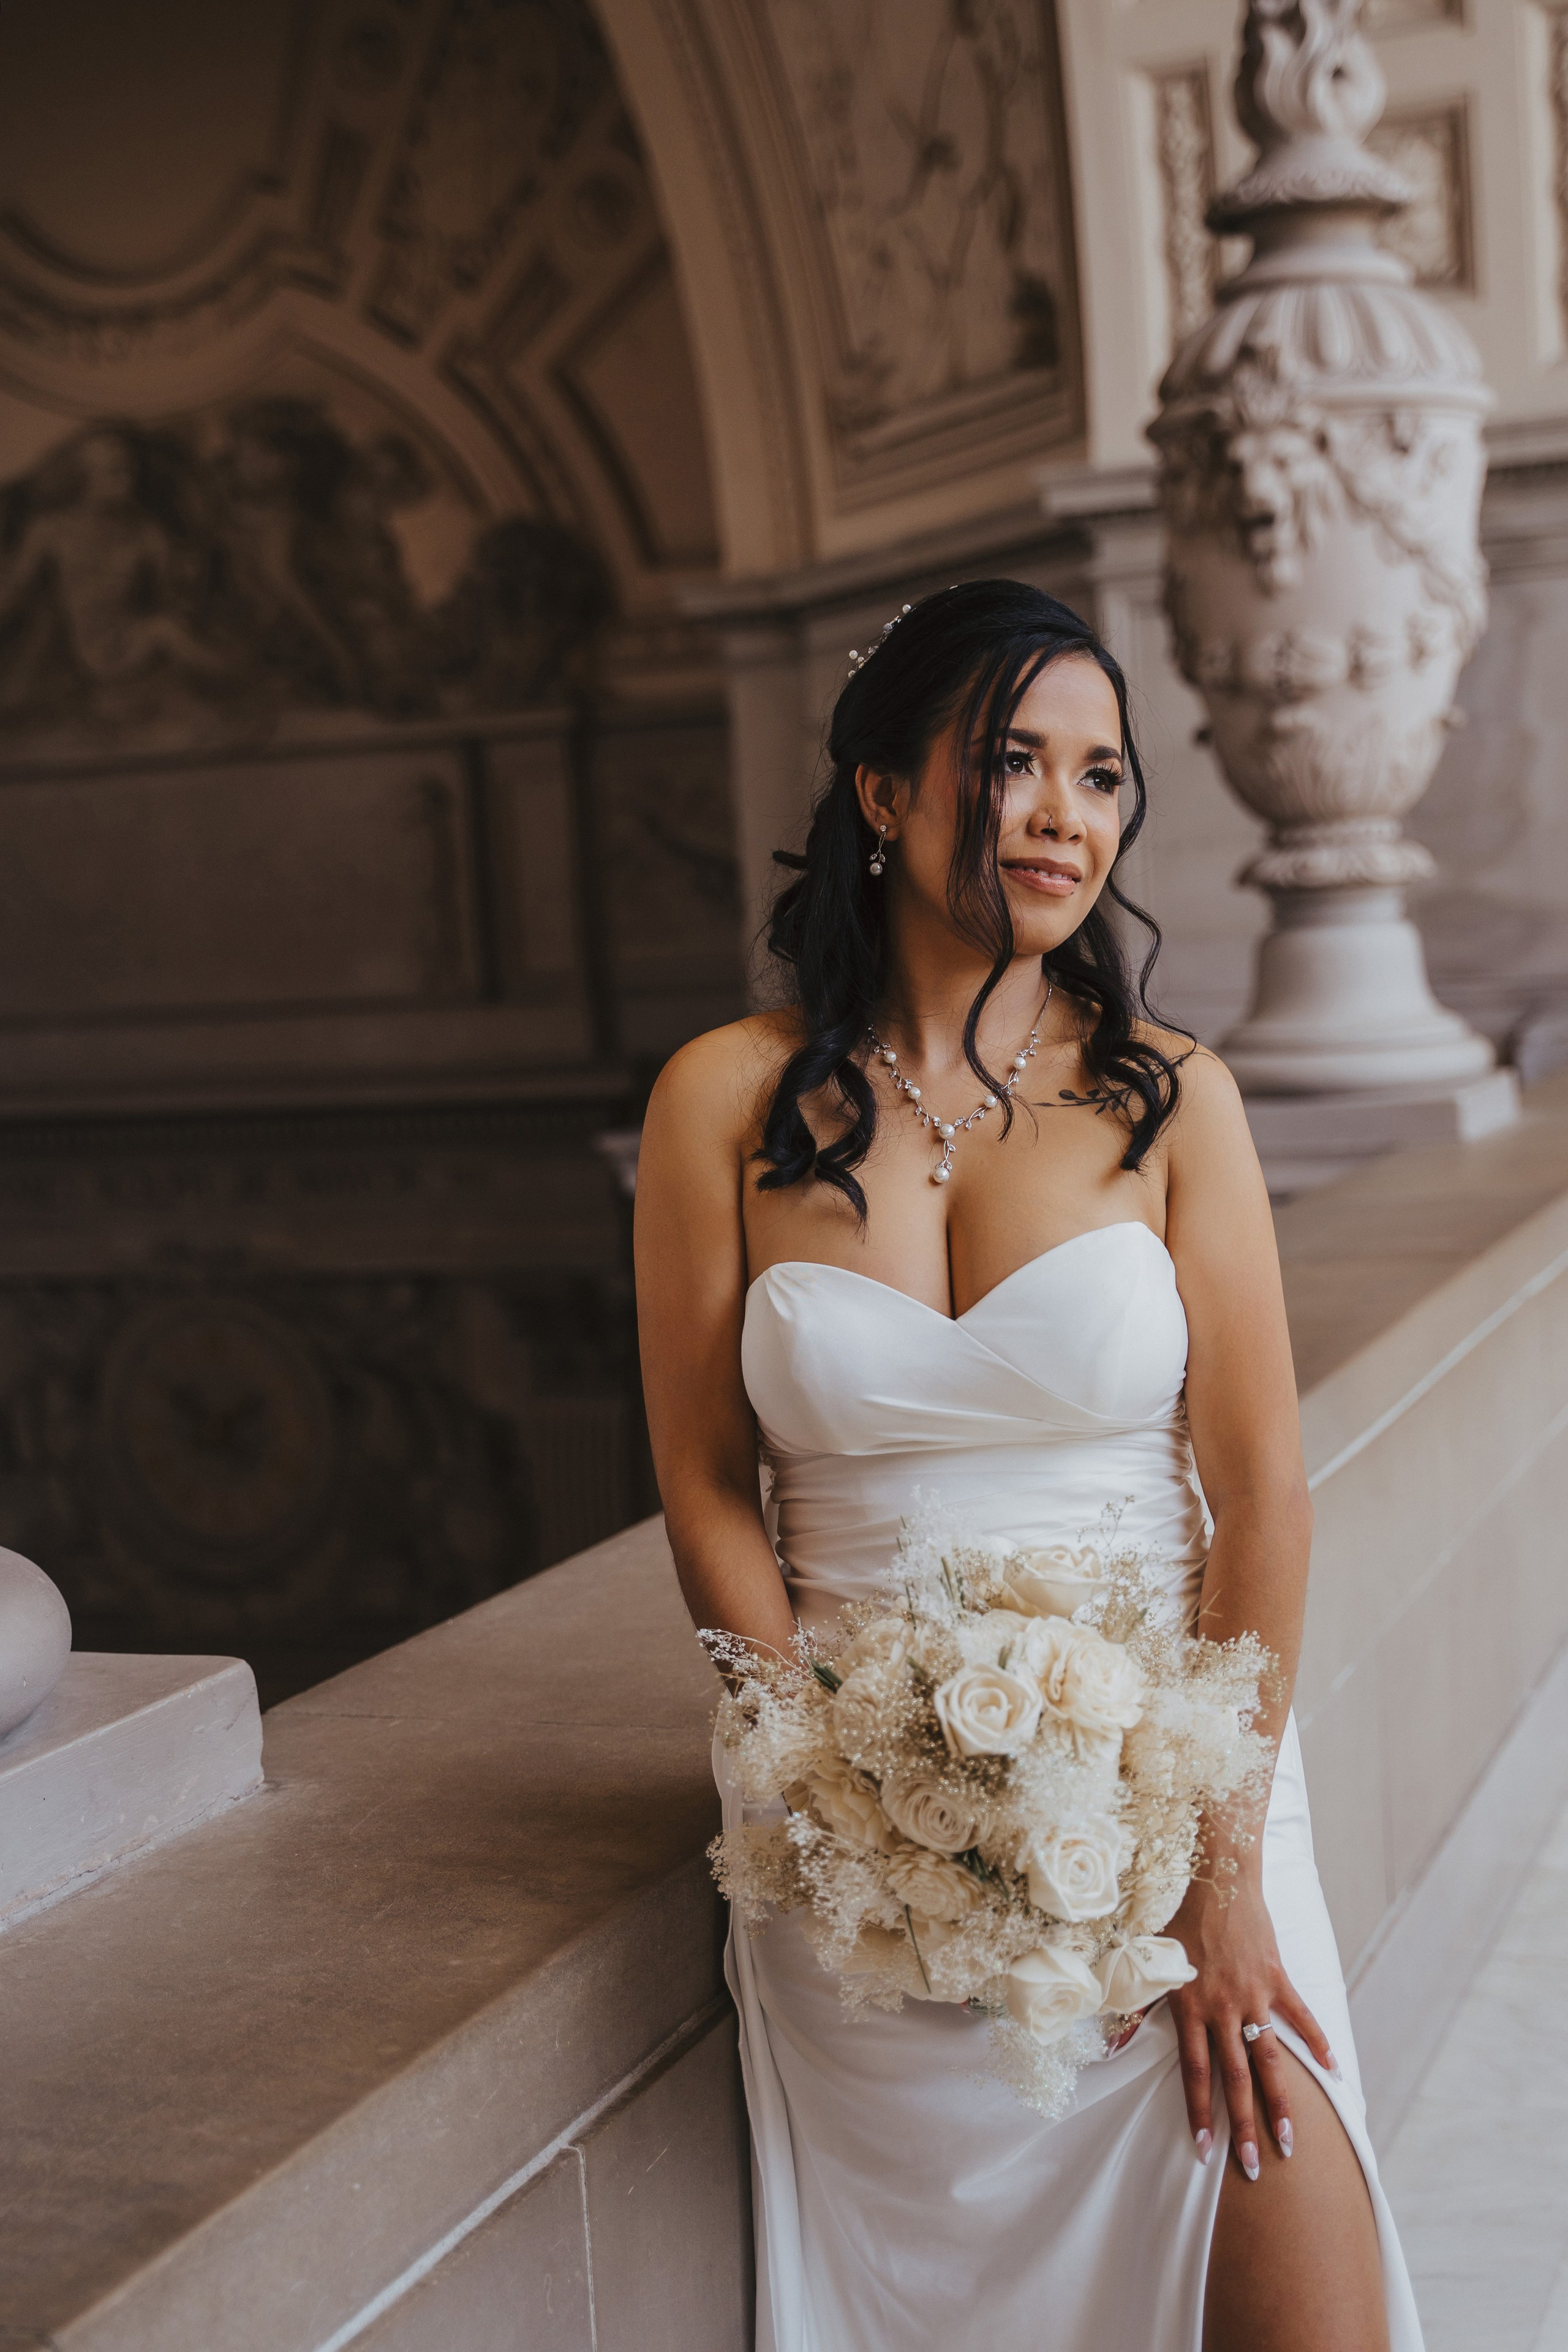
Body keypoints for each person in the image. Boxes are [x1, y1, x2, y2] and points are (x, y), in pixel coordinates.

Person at [633, 581, 1422, 2351]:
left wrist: (1222, 1878)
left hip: (1181, 1801)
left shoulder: (1174, 1098)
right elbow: (701, 1479)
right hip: (859, 1845)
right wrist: (827, 1781)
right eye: (1013, 762)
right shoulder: (721, 1101)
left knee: (1302, 2268)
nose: (1067, 813)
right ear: (882, 791)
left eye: (1103, 774)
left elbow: (1263, 1492)